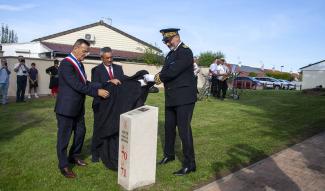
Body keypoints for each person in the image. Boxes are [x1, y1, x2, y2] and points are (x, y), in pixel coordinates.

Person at [54, 39, 110, 178]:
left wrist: (105, 83)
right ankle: (64, 166)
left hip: (78, 108)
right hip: (66, 108)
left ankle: (74, 156)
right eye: (84, 51)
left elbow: (85, 82)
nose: (86, 54)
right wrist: (97, 92)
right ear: (76, 48)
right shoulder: (67, 64)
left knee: (80, 133)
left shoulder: (79, 64)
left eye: (87, 52)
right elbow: (76, 85)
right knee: (64, 138)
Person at [154, 28, 196, 176]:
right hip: (171, 97)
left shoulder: (185, 51)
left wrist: (159, 76)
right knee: (169, 128)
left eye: (169, 40)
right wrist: (159, 75)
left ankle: (190, 164)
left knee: (184, 130)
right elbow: (166, 70)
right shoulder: (170, 54)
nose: (167, 43)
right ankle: (169, 155)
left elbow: (172, 71)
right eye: (165, 41)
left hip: (184, 97)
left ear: (177, 37)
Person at [90, 47, 124, 164]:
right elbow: (94, 85)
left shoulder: (119, 69)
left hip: (115, 105)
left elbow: (123, 83)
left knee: (114, 127)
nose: (110, 60)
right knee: (99, 127)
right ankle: (95, 153)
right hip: (101, 104)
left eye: (111, 57)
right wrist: (109, 82)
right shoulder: (96, 70)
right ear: (101, 58)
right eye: (107, 58)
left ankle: (112, 151)